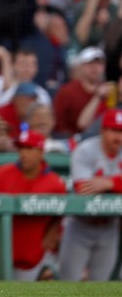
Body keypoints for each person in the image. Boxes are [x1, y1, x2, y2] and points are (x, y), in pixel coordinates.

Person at [0, 130, 66, 280]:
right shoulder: (1, 174)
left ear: (40, 152)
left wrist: (46, 243)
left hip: (31, 256)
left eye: (29, 148)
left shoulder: (55, 184)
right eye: (21, 148)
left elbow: (59, 220)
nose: (23, 153)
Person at [58, 108, 122, 281]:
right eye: (114, 131)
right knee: (68, 285)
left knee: (99, 289)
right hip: (80, 227)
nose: (119, 137)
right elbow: (83, 189)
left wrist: (109, 183)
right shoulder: (85, 150)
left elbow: (101, 186)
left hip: (110, 228)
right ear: (102, 130)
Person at [53, 46, 113, 138]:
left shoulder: (111, 91)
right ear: (81, 66)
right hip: (70, 141)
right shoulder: (67, 91)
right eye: (90, 64)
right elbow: (60, 124)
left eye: (98, 64)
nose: (94, 68)